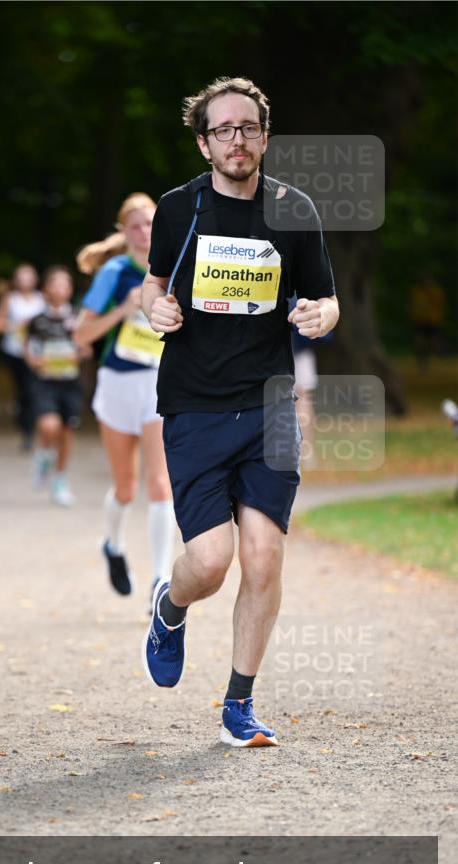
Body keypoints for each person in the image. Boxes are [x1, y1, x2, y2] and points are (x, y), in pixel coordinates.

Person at [141, 76, 339, 747]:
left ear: (263, 135)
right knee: (211, 561)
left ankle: (238, 705)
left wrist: (318, 315)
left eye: (248, 127)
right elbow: (151, 282)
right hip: (195, 403)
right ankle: (169, 608)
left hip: (269, 403)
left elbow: (324, 296)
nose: (237, 139)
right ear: (204, 143)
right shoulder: (179, 210)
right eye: (223, 129)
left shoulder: (292, 210)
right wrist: (154, 307)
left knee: (263, 561)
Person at [74, 193, 175, 608]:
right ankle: (112, 545)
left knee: (160, 483)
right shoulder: (114, 272)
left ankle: (160, 579)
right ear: (123, 231)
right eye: (134, 225)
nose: (142, 231)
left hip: (156, 382)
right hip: (117, 382)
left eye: (149, 223)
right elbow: (81, 335)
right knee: (125, 487)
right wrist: (125, 308)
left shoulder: (175, 265)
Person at [25, 266, 83, 507]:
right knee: (50, 425)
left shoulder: (78, 318)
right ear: (46, 288)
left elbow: (87, 347)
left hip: (70, 383)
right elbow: (27, 347)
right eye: (56, 284)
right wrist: (34, 360)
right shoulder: (37, 320)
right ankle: (44, 453)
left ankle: (59, 479)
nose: (60, 288)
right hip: (45, 381)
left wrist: (79, 353)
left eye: (65, 284)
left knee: (67, 433)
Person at [0, 264, 45, 450]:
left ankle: (29, 430)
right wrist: (16, 326)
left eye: (28, 277)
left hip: (37, 352)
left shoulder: (41, 299)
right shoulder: (10, 299)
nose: (25, 281)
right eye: (21, 277)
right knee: (22, 390)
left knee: (32, 390)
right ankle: (24, 422)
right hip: (15, 352)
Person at [408, 274, 446, 371]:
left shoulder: (435, 291)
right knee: (419, 344)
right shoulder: (415, 292)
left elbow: (439, 304)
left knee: (433, 343)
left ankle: (441, 352)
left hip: (432, 321)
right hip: (419, 322)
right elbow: (412, 305)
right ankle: (422, 365)